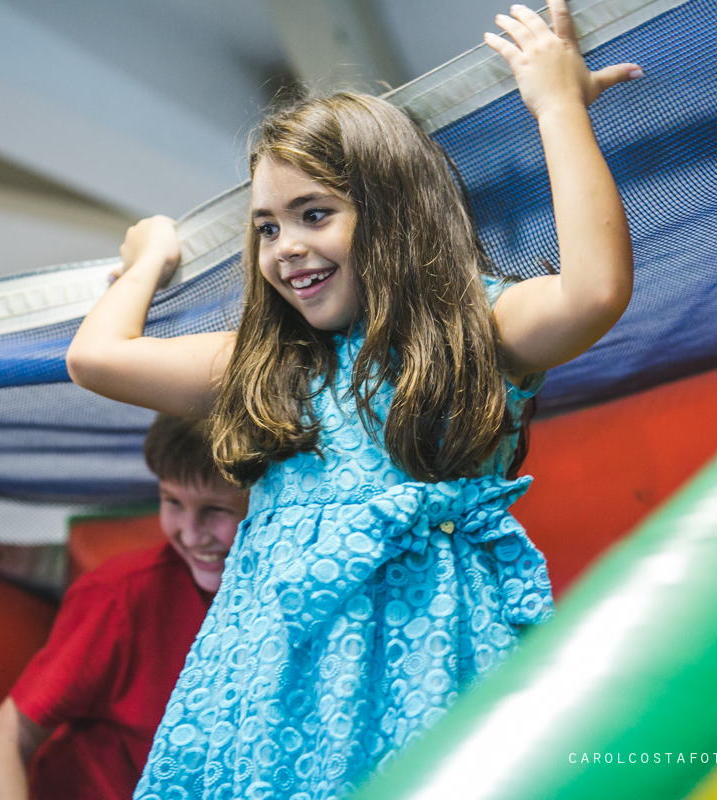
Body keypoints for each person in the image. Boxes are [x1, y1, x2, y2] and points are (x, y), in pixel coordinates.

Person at [63, 3, 640, 797]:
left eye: (314, 214)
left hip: (429, 668)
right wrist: (148, 257)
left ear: (394, 214)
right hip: (264, 696)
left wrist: (556, 106)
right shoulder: (276, 366)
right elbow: (95, 358)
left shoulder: (481, 329)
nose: (285, 247)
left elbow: (595, 290)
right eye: (265, 227)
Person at [0, 414, 249, 800]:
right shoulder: (123, 597)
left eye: (216, 510)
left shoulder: (287, 606)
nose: (188, 532)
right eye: (171, 500)